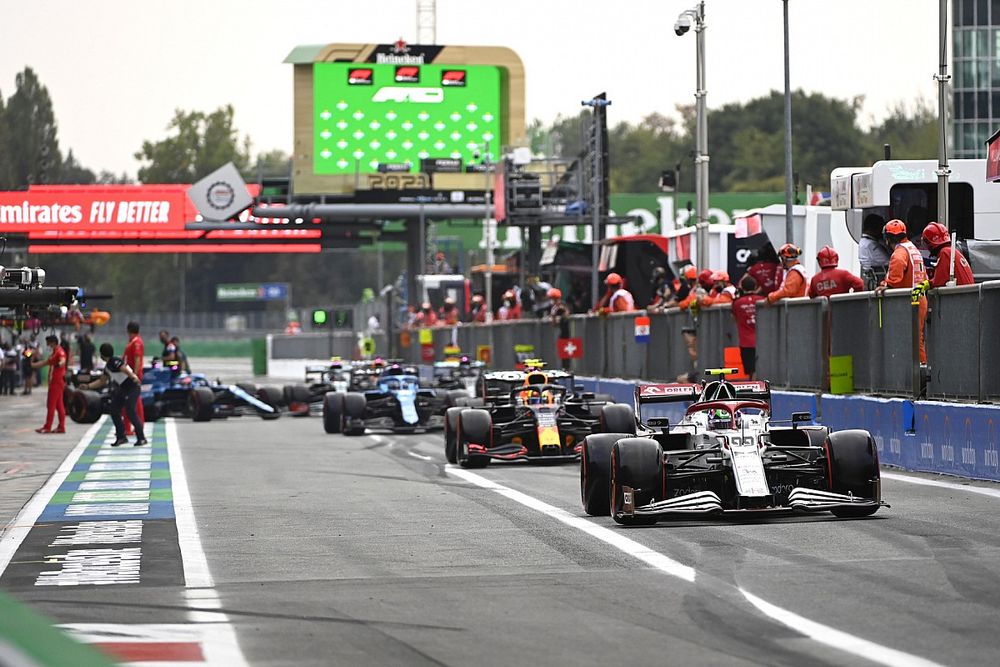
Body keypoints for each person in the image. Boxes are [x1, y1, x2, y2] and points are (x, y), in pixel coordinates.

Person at [875, 219, 929, 365]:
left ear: (887, 238)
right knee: (917, 338)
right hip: (919, 298)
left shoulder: (900, 252)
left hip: (910, 302)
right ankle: (920, 373)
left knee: (913, 340)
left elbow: (896, 274)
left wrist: (887, 285)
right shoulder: (912, 248)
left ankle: (920, 376)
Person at [82, 343, 146, 447]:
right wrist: (88, 386)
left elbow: (124, 368)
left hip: (132, 387)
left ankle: (141, 438)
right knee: (114, 410)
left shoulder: (115, 361)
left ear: (102, 355)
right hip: (123, 388)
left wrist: (133, 376)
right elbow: (102, 381)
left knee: (130, 411)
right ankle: (121, 437)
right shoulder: (108, 367)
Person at [732, 275, 766, 379]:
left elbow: (734, 318)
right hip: (763, 341)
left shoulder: (737, 303)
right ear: (755, 286)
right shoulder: (762, 300)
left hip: (746, 342)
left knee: (750, 370)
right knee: (761, 369)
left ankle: (753, 390)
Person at [31, 335, 67, 434]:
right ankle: (61, 426)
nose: (47, 345)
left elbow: (63, 360)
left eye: (48, 342)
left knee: (51, 404)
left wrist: (60, 364)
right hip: (55, 382)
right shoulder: (54, 353)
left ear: (53, 342)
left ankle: (47, 427)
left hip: (56, 382)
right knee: (59, 405)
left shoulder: (60, 351)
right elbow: (45, 363)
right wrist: (33, 365)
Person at [921, 222, 975, 287]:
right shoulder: (952, 251)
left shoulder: (945, 252)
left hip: (960, 295)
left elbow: (939, 281)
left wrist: (928, 284)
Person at [123, 322, 145, 436]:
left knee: (135, 401)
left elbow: (137, 359)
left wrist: (135, 375)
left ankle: (138, 426)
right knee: (129, 401)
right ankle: (127, 427)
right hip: (129, 374)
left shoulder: (136, 342)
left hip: (133, 375)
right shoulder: (133, 342)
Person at [859, 213, 891, 289]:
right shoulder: (870, 244)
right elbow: (888, 261)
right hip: (877, 280)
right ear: (875, 228)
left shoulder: (865, 241)